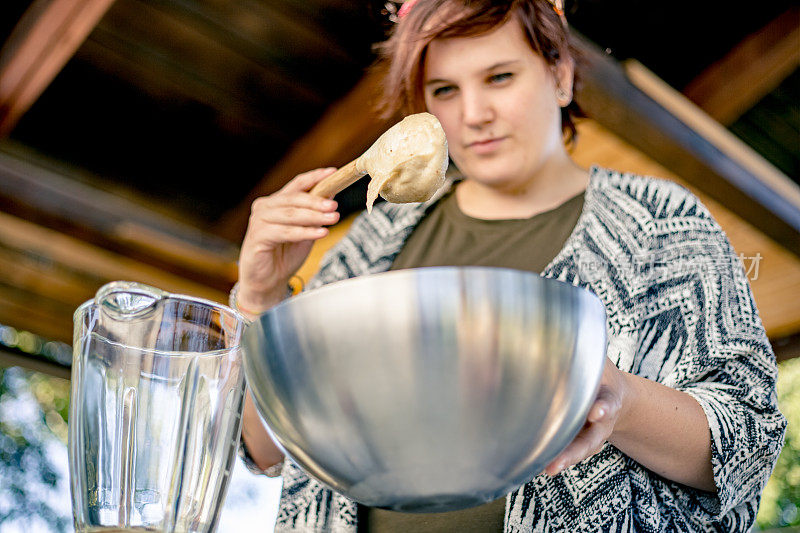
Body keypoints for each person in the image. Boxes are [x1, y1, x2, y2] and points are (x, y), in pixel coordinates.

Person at [232, 0, 786, 531]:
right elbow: (264, 445)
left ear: (561, 74)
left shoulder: (661, 222)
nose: (473, 115)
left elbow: (749, 444)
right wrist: (260, 295)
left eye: (500, 77)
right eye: (445, 90)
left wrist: (623, 402)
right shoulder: (376, 237)